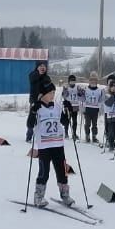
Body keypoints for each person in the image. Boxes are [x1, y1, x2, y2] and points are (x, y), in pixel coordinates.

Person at [27, 79, 74, 208]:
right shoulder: (38, 108)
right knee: (44, 171)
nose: (53, 95)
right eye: (50, 93)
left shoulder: (57, 107)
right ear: (43, 94)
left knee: (62, 170)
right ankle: (39, 197)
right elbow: (30, 125)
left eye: (54, 92)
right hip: (45, 146)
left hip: (58, 145)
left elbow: (65, 122)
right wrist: (33, 111)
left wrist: (68, 110)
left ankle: (65, 195)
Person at [26, 59, 49, 141]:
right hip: (34, 100)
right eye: (41, 66)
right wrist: (39, 74)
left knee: (43, 118)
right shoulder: (33, 75)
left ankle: (42, 135)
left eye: (44, 66)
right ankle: (29, 134)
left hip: (44, 100)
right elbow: (33, 79)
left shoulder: (47, 77)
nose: (43, 68)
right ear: (37, 67)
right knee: (32, 117)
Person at [81, 72, 103, 143]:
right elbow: (82, 98)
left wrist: (99, 109)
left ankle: (94, 136)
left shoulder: (99, 90)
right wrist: (82, 108)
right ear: (89, 81)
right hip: (87, 109)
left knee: (94, 124)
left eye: (95, 80)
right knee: (87, 124)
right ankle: (87, 136)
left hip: (95, 110)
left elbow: (100, 100)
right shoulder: (85, 89)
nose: (93, 81)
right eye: (91, 80)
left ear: (96, 81)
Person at [62, 75, 81, 141]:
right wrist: (66, 89)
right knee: (67, 120)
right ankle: (66, 133)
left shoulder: (77, 87)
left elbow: (80, 95)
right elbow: (64, 95)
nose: (72, 82)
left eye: (73, 81)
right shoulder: (66, 87)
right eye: (71, 81)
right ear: (69, 81)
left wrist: (80, 91)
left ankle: (74, 134)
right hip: (68, 106)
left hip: (75, 106)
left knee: (74, 121)